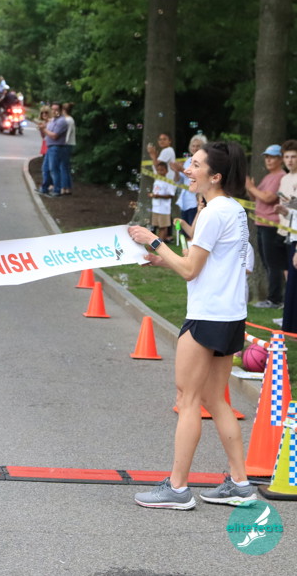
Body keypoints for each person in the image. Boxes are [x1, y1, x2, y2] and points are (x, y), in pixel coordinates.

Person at [129, 140, 254, 510]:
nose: (188, 169)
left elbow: (189, 270)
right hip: (230, 315)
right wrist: (163, 259)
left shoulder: (214, 213)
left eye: (196, 164)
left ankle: (178, 488)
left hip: (207, 315)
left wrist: (154, 242)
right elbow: (202, 262)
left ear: (215, 176)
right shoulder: (233, 209)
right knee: (216, 399)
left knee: (187, 400)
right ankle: (240, 483)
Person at [246, 144, 287, 309]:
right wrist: (251, 189)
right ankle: (274, 297)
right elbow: (257, 198)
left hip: (272, 224)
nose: (268, 160)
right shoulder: (268, 176)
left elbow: (268, 198)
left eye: (272, 157)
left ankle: (275, 299)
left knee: (273, 263)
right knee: (266, 262)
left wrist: (251, 187)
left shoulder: (280, 177)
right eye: (267, 157)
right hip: (261, 223)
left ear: (280, 159)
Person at [276, 140, 297, 332]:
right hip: (287, 232)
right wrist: (284, 211)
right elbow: (293, 211)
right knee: (290, 278)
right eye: (287, 157)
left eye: (294, 157)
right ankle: (289, 322)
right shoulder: (285, 179)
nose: (290, 160)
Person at [171, 133, 207, 228]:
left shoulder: (205, 161)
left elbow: (197, 176)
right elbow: (179, 181)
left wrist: (181, 169)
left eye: (198, 146)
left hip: (196, 200)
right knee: (185, 230)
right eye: (193, 146)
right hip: (185, 201)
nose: (195, 148)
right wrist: (176, 171)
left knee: (194, 229)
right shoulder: (188, 161)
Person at [41, 102, 68, 196]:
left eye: (56, 109)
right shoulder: (52, 120)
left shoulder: (62, 121)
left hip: (57, 147)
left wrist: (44, 129)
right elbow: (45, 135)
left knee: (54, 169)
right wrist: (42, 129)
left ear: (60, 110)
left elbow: (54, 135)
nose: (54, 111)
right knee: (45, 168)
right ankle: (44, 188)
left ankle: (57, 190)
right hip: (50, 147)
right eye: (52, 109)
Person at [149, 161, 176, 242]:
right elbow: (156, 192)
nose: (160, 172)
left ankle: (159, 244)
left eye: (162, 170)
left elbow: (171, 195)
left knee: (163, 227)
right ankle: (156, 243)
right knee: (156, 226)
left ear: (166, 171)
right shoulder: (157, 181)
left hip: (164, 209)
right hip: (156, 208)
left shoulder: (168, 182)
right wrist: (152, 195)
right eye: (158, 170)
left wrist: (159, 196)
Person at [59, 102, 76, 196]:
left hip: (66, 144)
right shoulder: (70, 119)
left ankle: (63, 187)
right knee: (66, 166)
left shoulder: (68, 120)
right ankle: (68, 187)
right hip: (69, 144)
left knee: (63, 166)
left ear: (63, 110)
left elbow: (68, 133)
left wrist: (63, 142)